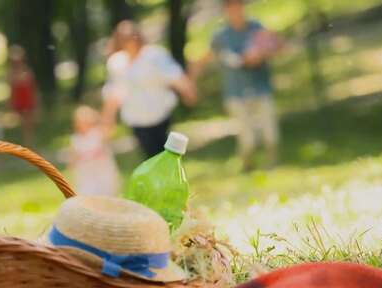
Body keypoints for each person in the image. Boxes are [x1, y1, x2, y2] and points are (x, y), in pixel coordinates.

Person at [191, 0, 282, 170]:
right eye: (231, 8)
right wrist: (191, 82)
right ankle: (248, 164)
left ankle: (272, 164)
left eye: (238, 7)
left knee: (270, 131)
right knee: (247, 137)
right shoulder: (220, 36)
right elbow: (206, 57)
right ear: (226, 11)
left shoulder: (256, 27)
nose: (236, 12)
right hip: (236, 92)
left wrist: (260, 54)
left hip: (260, 87)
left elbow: (276, 45)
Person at [102, 20, 197, 159]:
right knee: (151, 156)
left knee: (166, 153)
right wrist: (108, 119)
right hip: (136, 119)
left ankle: (171, 178)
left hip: (160, 114)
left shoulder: (154, 55)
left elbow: (174, 75)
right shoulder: (116, 63)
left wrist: (188, 91)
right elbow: (114, 93)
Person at [69, 105, 120, 196]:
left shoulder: (99, 133)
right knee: (88, 195)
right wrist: (73, 163)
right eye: (80, 122)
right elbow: (73, 157)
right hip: (86, 174)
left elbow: (109, 127)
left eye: (86, 121)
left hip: (103, 173)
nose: (83, 124)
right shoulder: (76, 139)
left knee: (107, 193)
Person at [8, 45, 39, 147]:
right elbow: (12, 89)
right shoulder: (11, 73)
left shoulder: (27, 71)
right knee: (23, 123)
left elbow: (33, 88)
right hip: (19, 101)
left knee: (29, 123)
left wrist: (36, 102)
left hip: (27, 100)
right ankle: (26, 143)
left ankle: (29, 143)